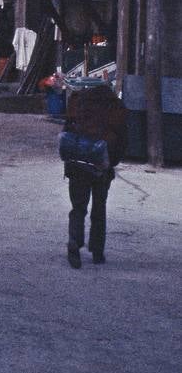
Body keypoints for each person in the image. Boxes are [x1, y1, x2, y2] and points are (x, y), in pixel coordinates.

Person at [63, 84, 127, 269]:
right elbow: (122, 139)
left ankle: (74, 245)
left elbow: (67, 133)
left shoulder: (79, 102)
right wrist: (111, 163)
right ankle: (97, 251)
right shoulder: (115, 107)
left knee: (78, 208)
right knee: (99, 208)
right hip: (102, 167)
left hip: (78, 166)